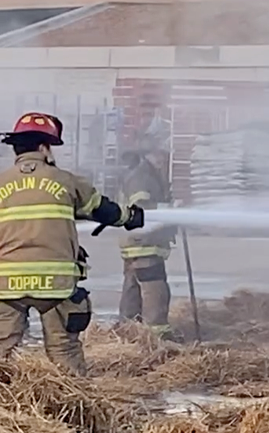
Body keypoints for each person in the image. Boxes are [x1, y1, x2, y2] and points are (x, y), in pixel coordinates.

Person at [0, 112, 144, 375]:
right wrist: (130, 217)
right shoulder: (66, 181)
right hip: (56, 285)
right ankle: (72, 397)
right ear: (44, 148)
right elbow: (104, 210)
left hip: (6, 285)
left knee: (1, 351)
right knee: (64, 350)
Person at [117, 146, 178, 340]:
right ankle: (157, 337)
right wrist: (169, 209)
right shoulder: (143, 177)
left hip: (138, 243)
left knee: (132, 290)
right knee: (155, 290)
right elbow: (141, 208)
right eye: (161, 154)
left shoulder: (144, 174)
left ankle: (128, 332)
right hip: (144, 244)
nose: (164, 159)